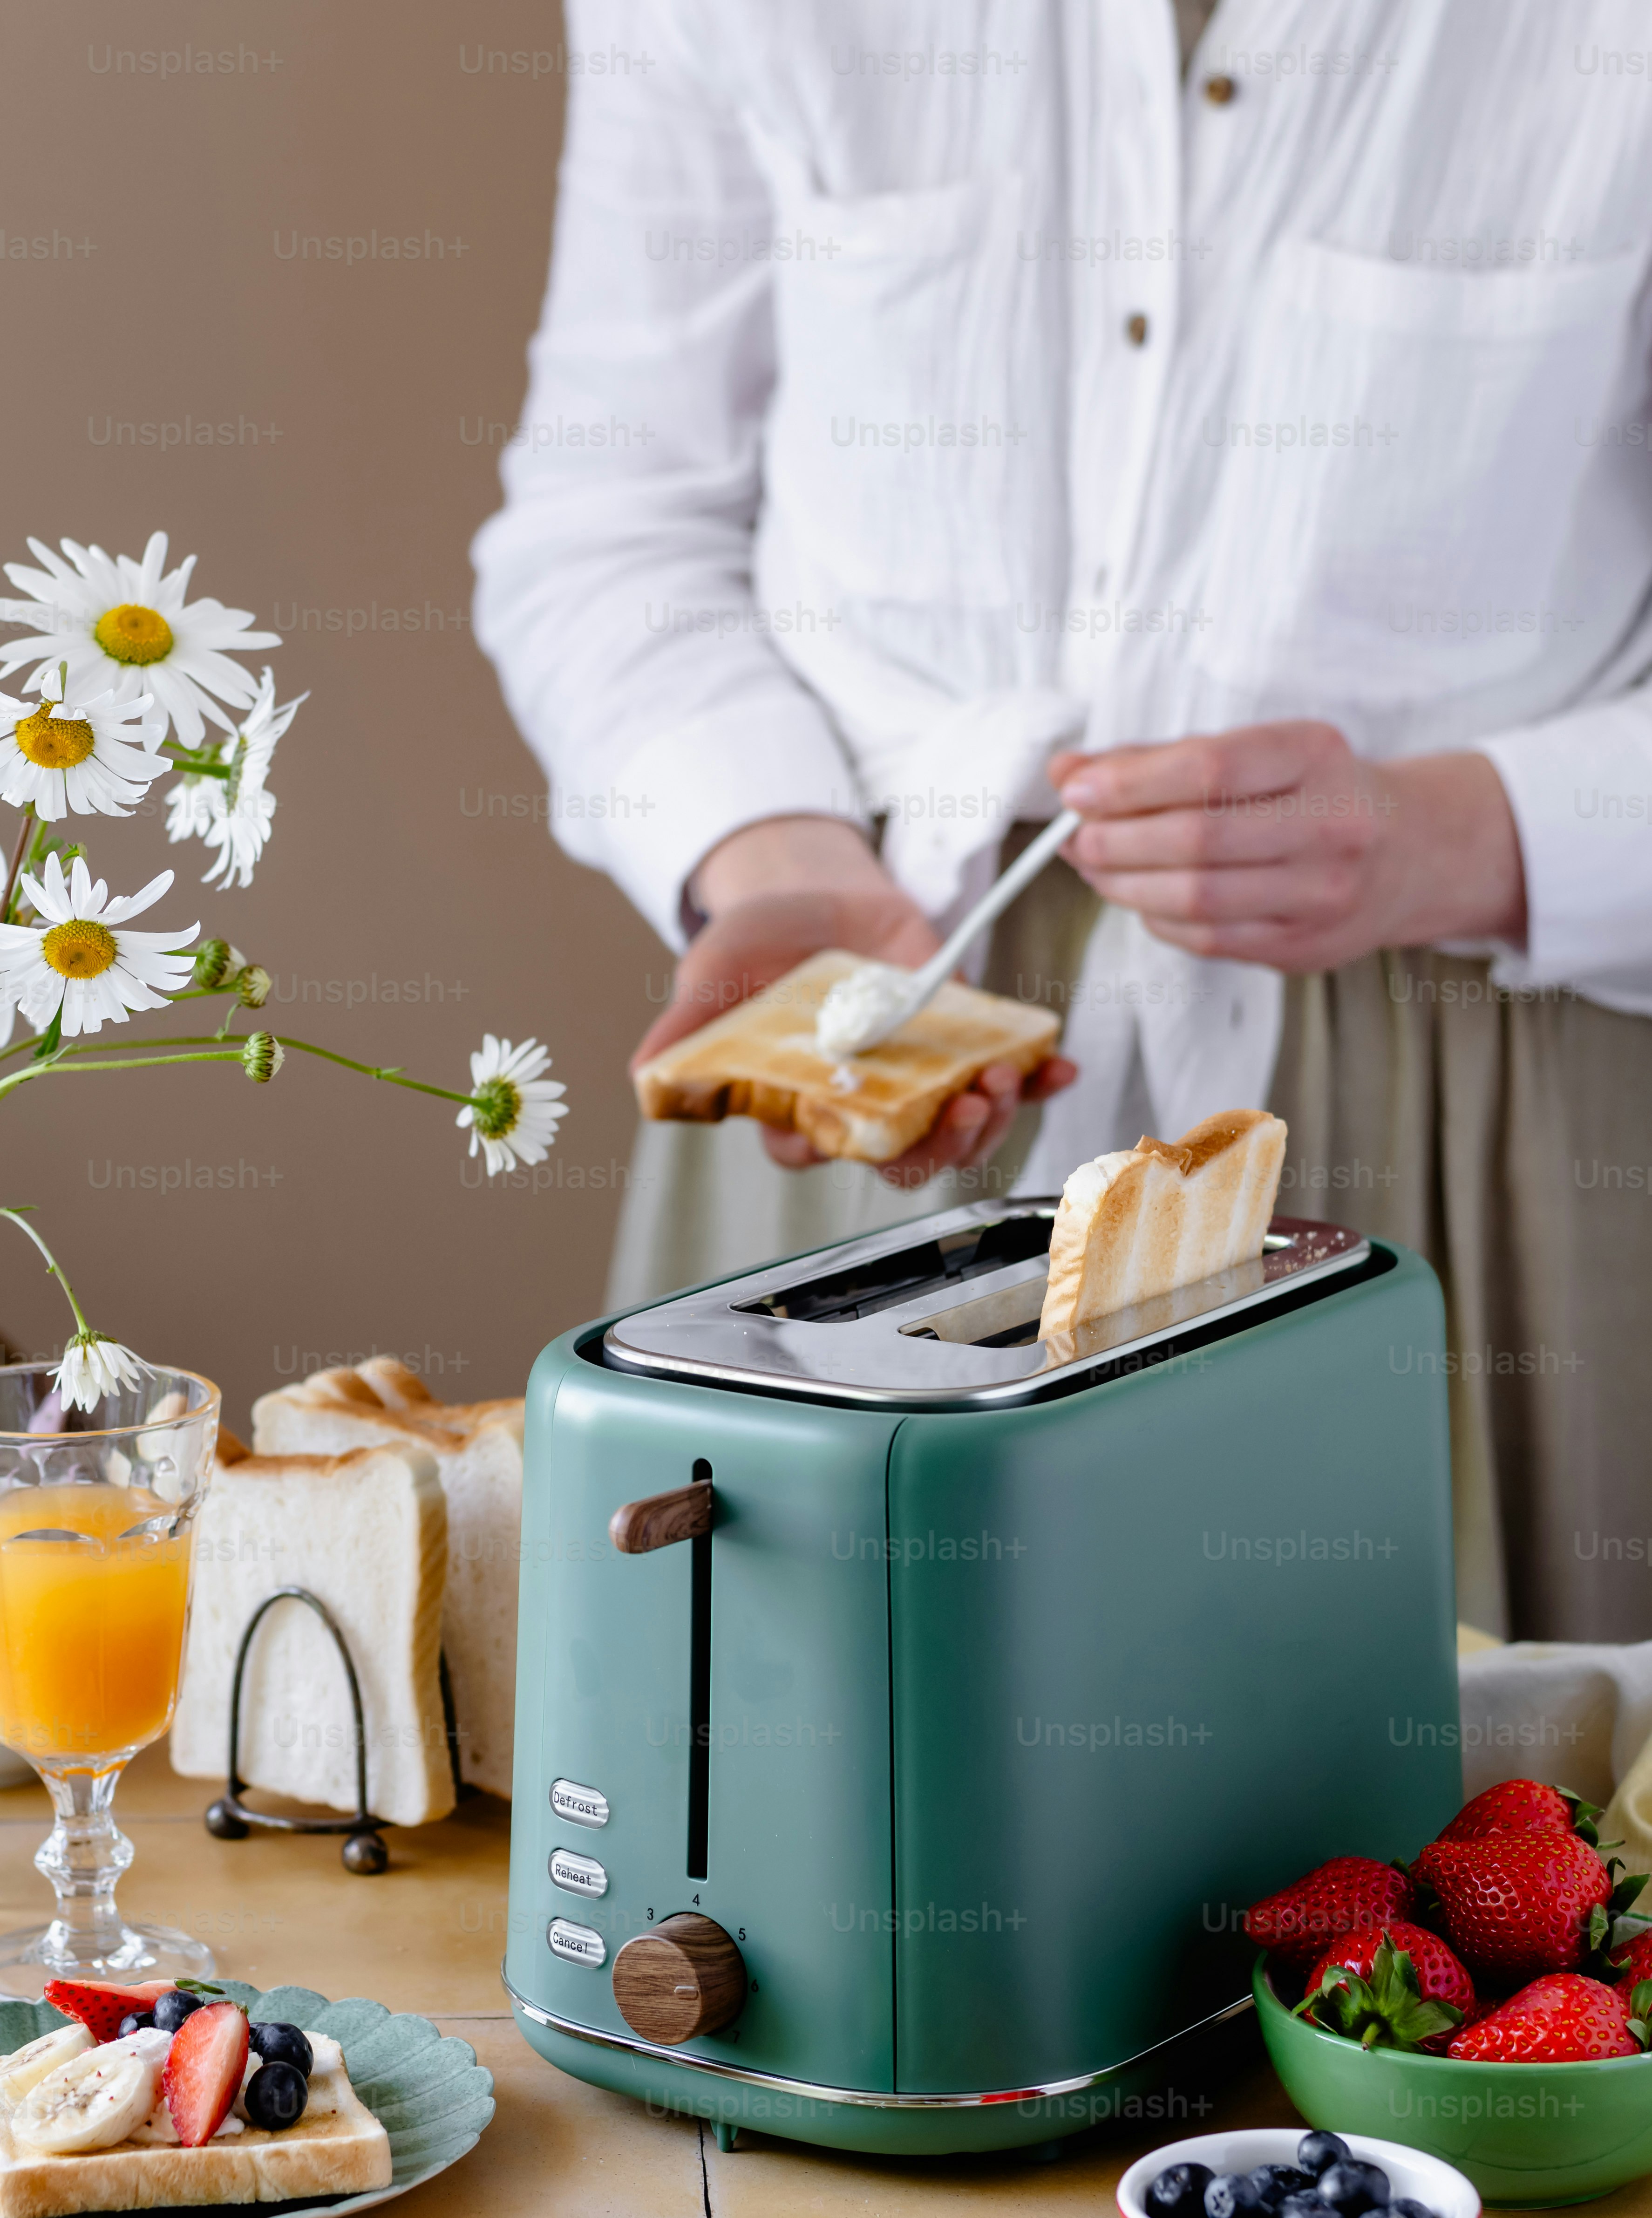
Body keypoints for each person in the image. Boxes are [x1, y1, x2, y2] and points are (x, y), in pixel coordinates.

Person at [475, 0, 1652, 1644]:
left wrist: (1455, 837)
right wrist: (773, 853)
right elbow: (608, 517)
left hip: (1483, 1122)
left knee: (1498, 1836)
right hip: (879, 1122)